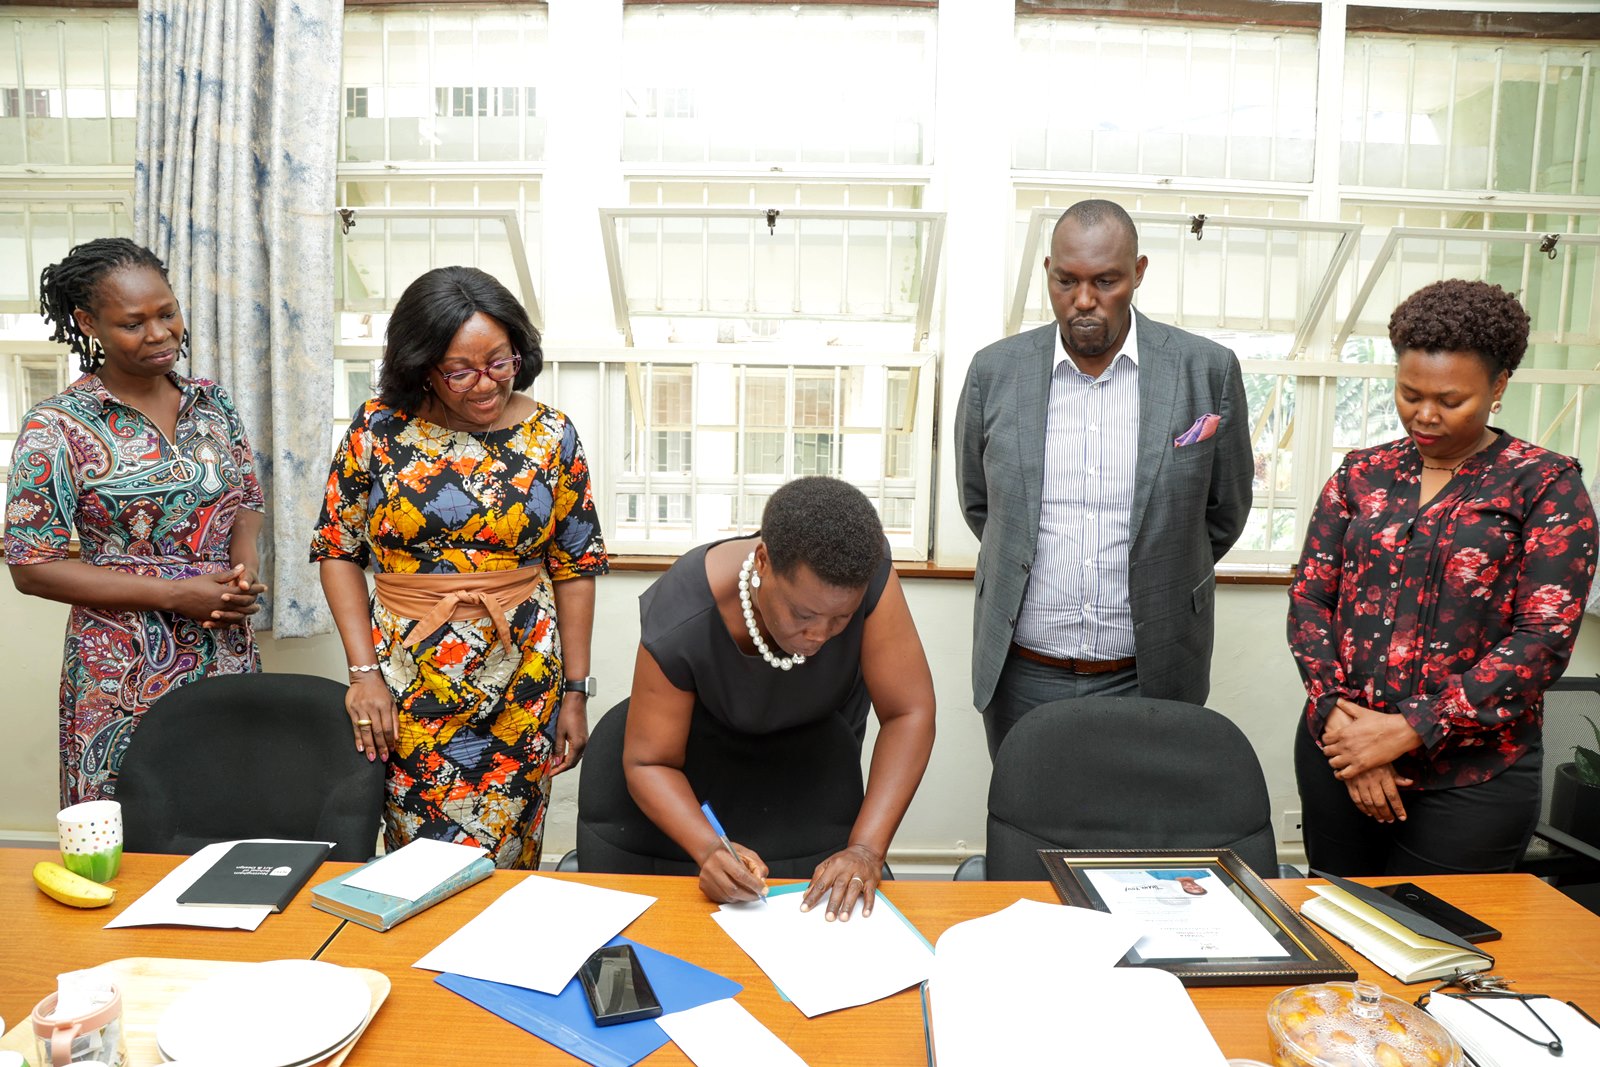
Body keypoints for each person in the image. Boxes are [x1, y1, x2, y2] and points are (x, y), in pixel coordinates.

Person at [1288, 279, 1596, 876]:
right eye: (1408, 393)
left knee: (1445, 946)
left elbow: (1542, 640)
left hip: (1473, 779)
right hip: (1340, 753)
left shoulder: (1546, 486)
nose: (1424, 415)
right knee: (1337, 924)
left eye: (1450, 400)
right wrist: (1344, 721)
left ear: (1499, 385)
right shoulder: (1362, 472)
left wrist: (1409, 729)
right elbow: (1311, 596)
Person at [311, 266, 607, 869]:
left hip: (522, 673)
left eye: (501, 363)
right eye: (461, 371)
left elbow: (576, 565)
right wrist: (363, 674)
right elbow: (337, 549)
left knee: (512, 853)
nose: (486, 385)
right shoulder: (376, 430)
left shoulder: (552, 435)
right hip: (407, 674)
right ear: (422, 365)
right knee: (417, 857)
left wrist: (575, 692)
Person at [956, 199, 1253, 760]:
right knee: (1031, 829)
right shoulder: (993, 373)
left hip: (1154, 670)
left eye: (1105, 281)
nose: (1084, 301)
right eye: (1066, 281)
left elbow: (1225, 511)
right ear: (1047, 270)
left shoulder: (1206, 369)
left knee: (1146, 837)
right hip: (1025, 675)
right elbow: (983, 507)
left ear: (1138, 273)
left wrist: (1163, 566)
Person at [5, 238, 267, 806]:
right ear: (87, 322)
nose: (159, 334)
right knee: (131, 822)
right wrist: (177, 595)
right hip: (118, 664)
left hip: (224, 645)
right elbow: (31, 566)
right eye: (133, 323)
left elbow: (246, 501)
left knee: (230, 811)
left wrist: (241, 573)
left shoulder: (213, 403)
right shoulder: (57, 426)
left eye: (167, 313)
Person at [624, 476, 936, 916]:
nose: (818, 636)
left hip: (820, 788)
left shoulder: (866, 575)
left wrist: (866, 849)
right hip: (701, 796)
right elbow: (647, 761)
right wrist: (708, 849)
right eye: (803, 613)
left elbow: (910, 712)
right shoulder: (683, 613)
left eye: (841, 618)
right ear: (764, 561)